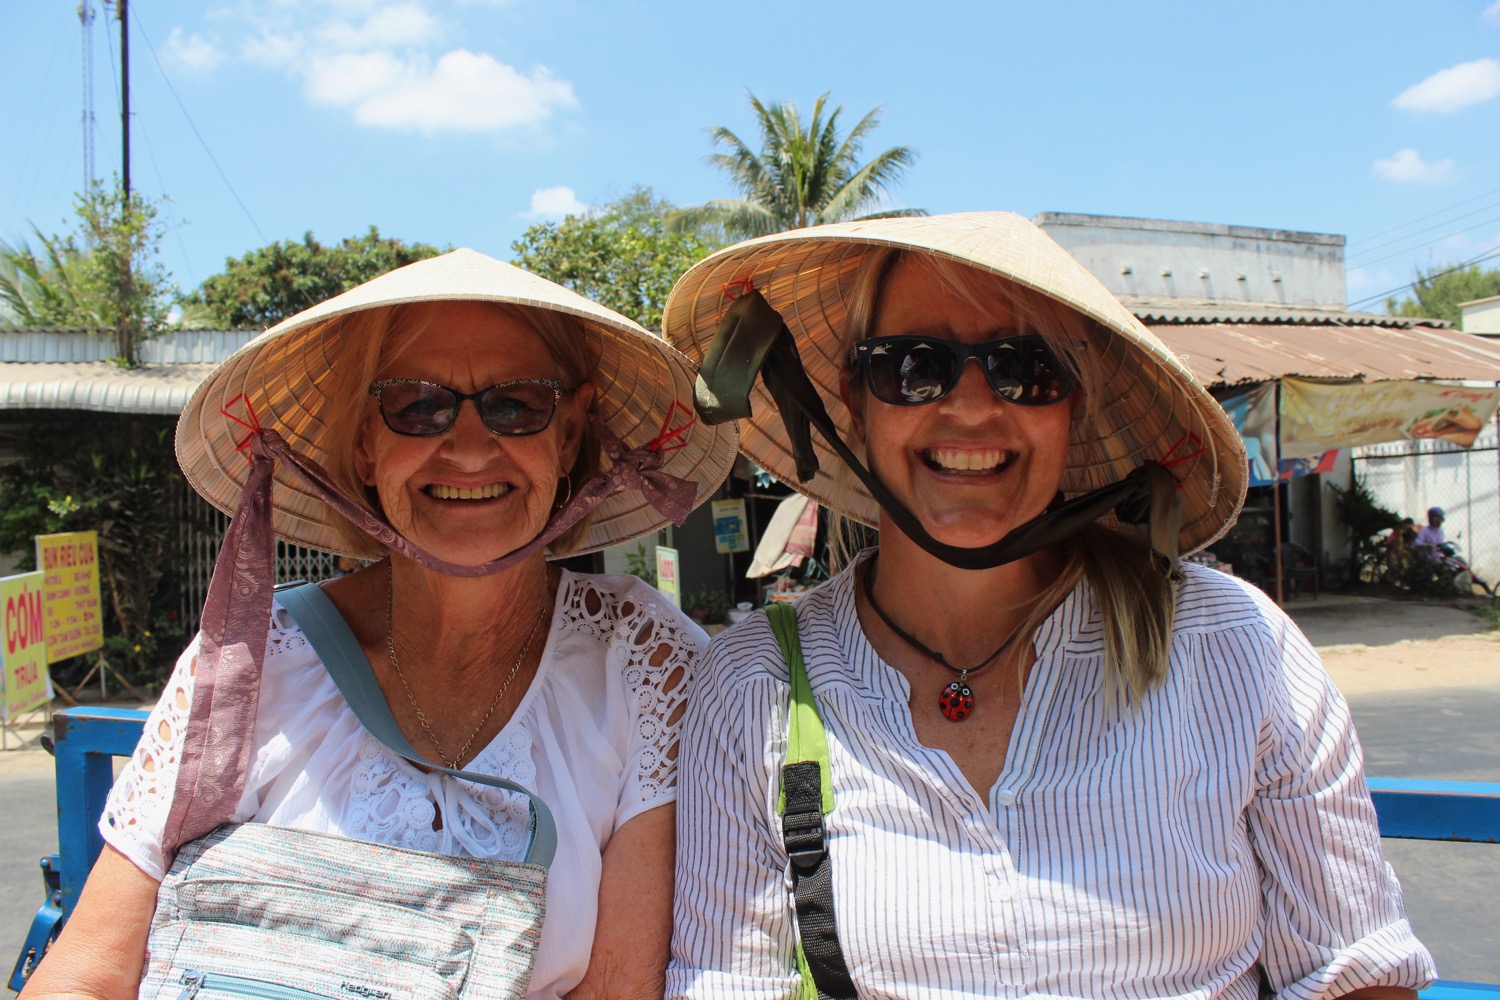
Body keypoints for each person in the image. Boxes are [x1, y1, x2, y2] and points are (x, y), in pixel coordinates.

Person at [660, 214, 1435, 999]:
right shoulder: (754, 684)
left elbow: (1355, 975)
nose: (969, 408)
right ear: (855, 406)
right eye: (912, 367)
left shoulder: (1236, 649)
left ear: (1072, 412)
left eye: (1023, 370)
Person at [22, 250, 738, 1000]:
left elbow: (621, 989)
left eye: (517, 404)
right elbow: (85, 976)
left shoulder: (642, 664)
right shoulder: (251, 663)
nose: (467, 447)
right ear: (365, 443)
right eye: (418, 405)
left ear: (569, 434)